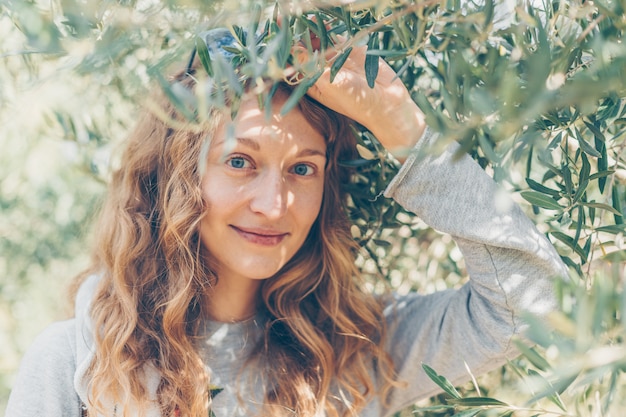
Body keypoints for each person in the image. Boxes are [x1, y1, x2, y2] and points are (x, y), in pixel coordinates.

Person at [5, 27, 567, 417]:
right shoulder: (80, 365)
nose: (275, 204)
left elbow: (531, 302)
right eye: (240, 162)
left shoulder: (355, 353)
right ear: (175, 175)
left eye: (303, 168)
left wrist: (403, 128)